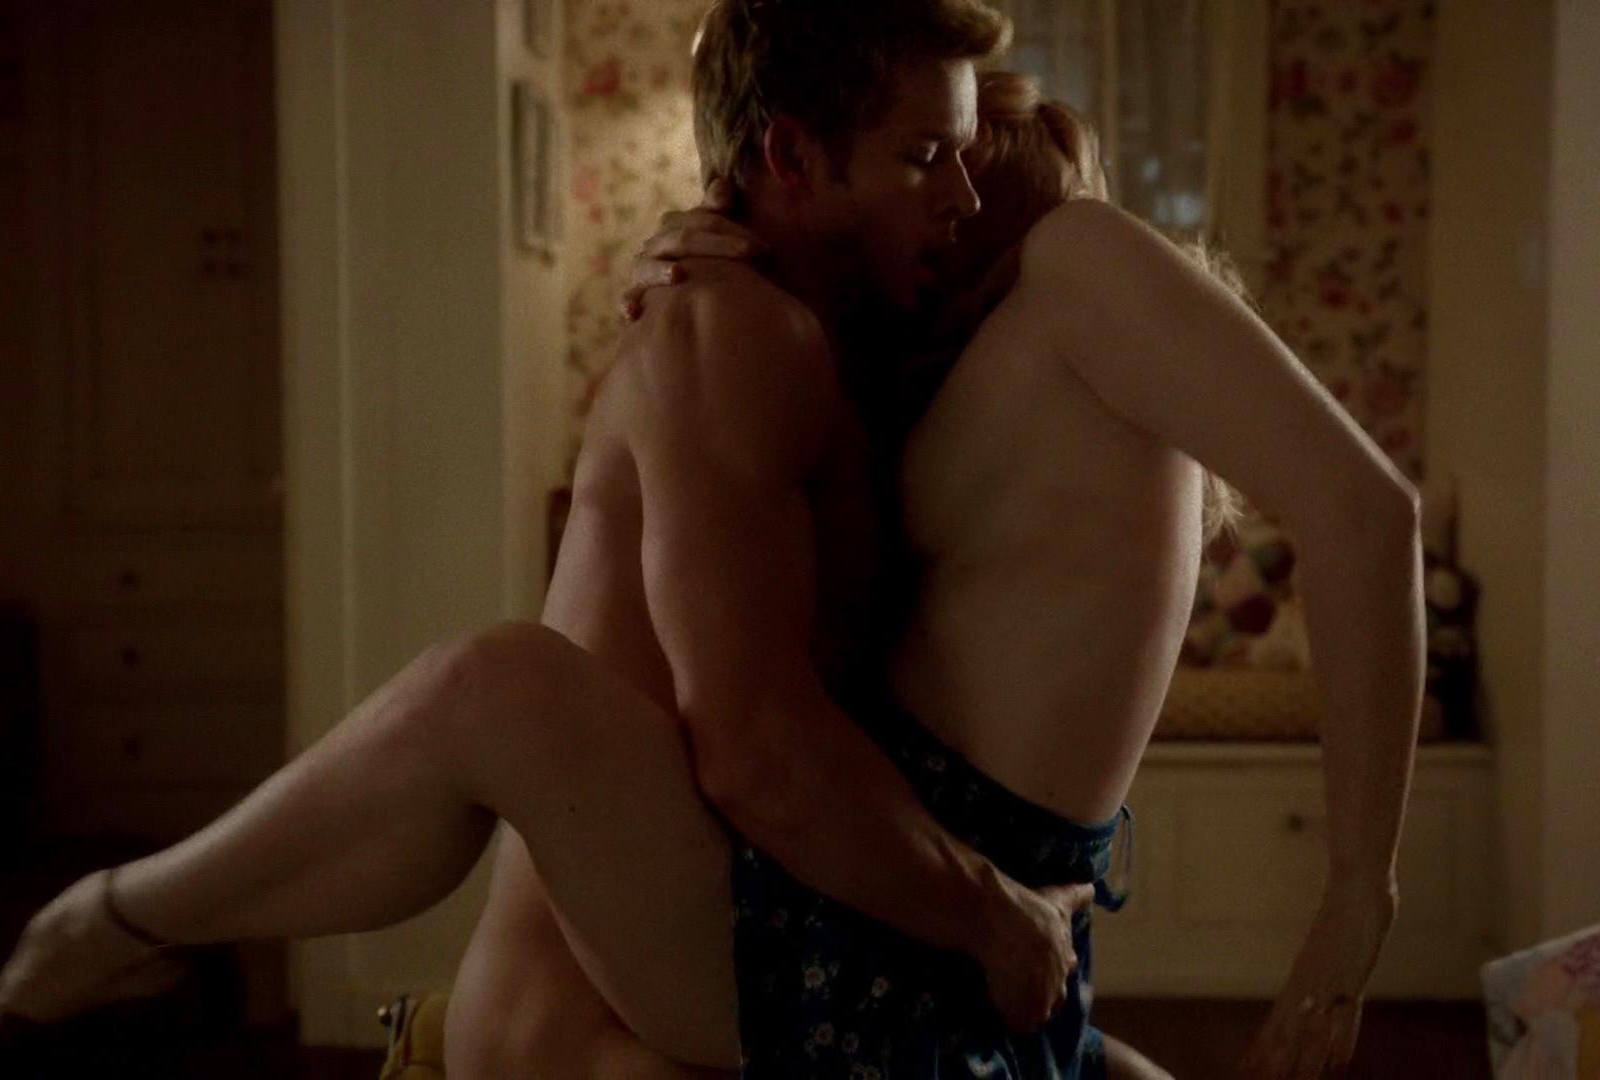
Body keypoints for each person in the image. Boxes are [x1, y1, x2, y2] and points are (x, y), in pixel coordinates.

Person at [0, 1, 1102, 1072]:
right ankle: (118, 920)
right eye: (924, 157)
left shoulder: (835, 354)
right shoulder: (737, 333)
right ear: (795, 158)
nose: (960, 199)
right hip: (587, 1013)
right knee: (501, 682)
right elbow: (757, 750)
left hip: (686, 963)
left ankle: (121, 921)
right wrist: (989, 913)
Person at [466, 69, 1424, 1080]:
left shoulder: (1076, 261)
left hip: (937, 909)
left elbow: (1368, 514)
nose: (924, 205)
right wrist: (703, 256)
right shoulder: (940, 388)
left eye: (938, 167)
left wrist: (1356, 900)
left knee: (493, 713)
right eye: (915, 164)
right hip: (912, 898)